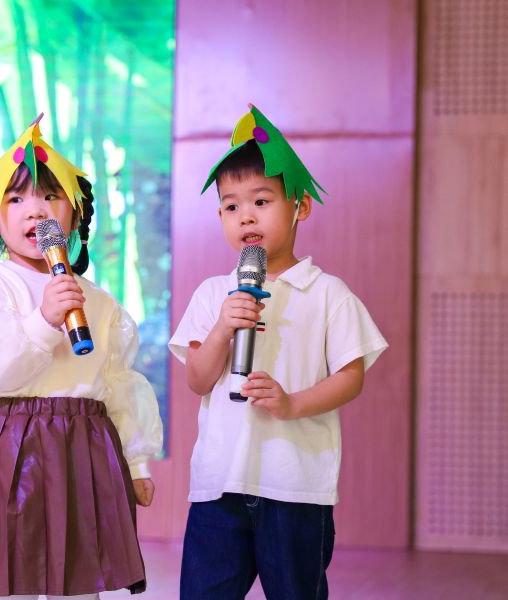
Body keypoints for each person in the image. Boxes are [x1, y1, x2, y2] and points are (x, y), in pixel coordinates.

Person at [168, 105, 389, 599]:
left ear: (300, 206)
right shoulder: (213, 293)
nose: (245, 215)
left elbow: (351, 376)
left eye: (261, 200)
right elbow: (198, 379)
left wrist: (292, 403)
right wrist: (223, 328)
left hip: (295, 487)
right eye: (231, 206)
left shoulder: (328, 293)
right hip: (220, 484)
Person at [0, 115, 163, 598]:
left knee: (81, 578)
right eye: (17, 199)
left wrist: (136, 462)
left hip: (85, 444)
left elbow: (118, 383)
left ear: (75, 214)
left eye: (51, 197)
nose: (36, 210)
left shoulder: (99, 302)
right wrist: (44, 319)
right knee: (16, 574)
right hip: (16, 442)